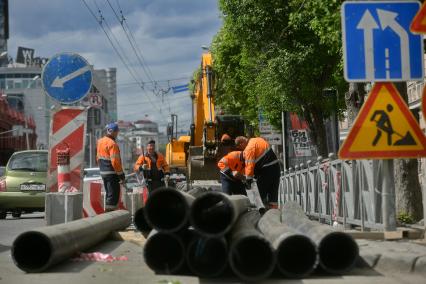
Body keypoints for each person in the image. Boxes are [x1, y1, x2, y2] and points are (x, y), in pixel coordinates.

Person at [235, 136, 280, 209]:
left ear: (241, 143)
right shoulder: (257, 139)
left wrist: (248, 180)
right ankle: (274, 212)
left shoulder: (249, 148)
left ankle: (260, 214)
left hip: (267, 170)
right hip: (276, 167)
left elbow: (250, 165)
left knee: (259, 194)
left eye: (240, 148)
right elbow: (260, 158)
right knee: (273, 192)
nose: (242, 150)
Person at [96, 122, 125, 212]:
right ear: (115, 132)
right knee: (113, 195)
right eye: (117, 132)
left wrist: (102, 168)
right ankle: (110, 216)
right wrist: (121, 175)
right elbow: (115, 162)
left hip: (103, 172)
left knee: (109, 194)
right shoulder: (112, 144)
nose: (117, 134)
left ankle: (109, 214)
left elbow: (97, 157)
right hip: (112, 173)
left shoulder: (100, 142)